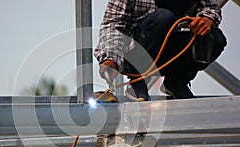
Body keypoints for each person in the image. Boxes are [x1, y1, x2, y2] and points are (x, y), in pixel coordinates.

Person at [94, 0, 227, 100]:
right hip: (138, 49)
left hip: (172, 54)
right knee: (163, 18)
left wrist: (208, 18)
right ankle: (138, 82)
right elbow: (113, 25)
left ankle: (176, 82)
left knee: (215, 39)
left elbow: (211, 7)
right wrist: (110, 58)